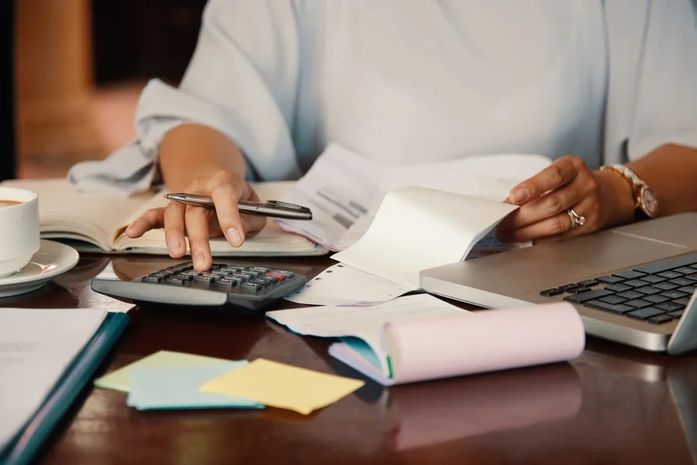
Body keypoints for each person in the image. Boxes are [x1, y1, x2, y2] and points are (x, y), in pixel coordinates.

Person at [70, 0, 697, 271]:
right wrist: (209, 180)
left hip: (549, 291)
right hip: (337, 289)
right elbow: (205, 113)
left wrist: (614, 193)